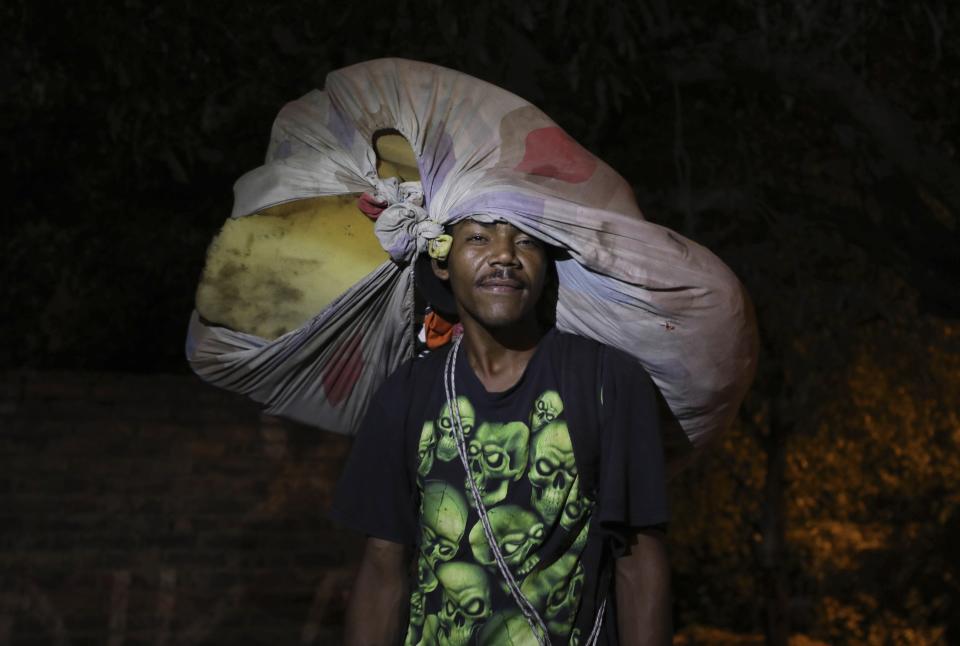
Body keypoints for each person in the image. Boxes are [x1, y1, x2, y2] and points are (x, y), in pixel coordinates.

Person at [330, 217, 671, 645]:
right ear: (442, 262)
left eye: (526, 241)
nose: (505, 256)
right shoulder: (407, 394)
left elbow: (638, 563)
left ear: (547, 264)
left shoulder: (605, 381)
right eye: (478, 238)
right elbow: (383, 570)